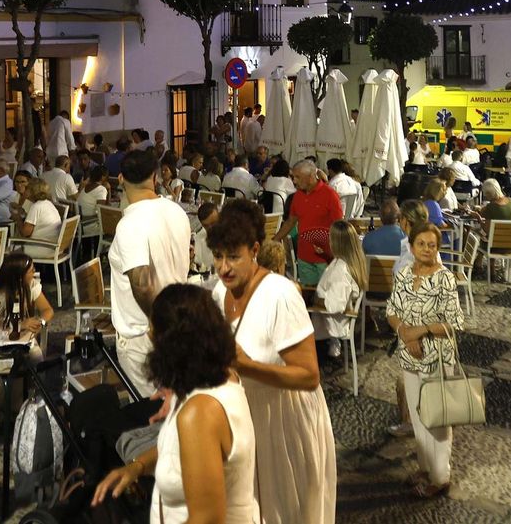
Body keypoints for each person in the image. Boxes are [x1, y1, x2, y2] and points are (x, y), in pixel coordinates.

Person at [207, 201, 336, 523]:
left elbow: (309, 376)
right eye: (218, 256)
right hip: (247, 421)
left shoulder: (278, 294)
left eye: (233, 256)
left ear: (254, 250)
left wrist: (247, 366)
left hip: (284, 425)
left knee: (286, 512)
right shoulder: (217, 294)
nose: (224, 268)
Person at [92, 284, 259, 523]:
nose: (150, 338)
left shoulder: (199, 413)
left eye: (154, 333)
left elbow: (207, 519)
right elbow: (185, 450)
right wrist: (138, 466)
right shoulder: (222, 377)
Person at [384, 219, 465, 498]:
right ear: (412, 245)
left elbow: (455, 322)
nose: (426, 249)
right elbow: (392, 310)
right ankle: (425, 466)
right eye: (421, 244)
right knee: (417, 416)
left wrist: (421, 330)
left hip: (437, 358)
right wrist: (404, 333)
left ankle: (441, 475)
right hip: (409, 356)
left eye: (432, 245)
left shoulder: (445, 279)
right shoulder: (405, 274)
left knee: (437, 418)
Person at [110, 149, 192, 396]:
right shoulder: (176, 211)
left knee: (154, 417)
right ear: (155, 177)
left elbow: (142, 284)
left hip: (144, 334)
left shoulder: (130, 225)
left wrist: (159, 325)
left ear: (121, 179)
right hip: (177, 323)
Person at [311, 221, 367, 367]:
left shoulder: (340, 271)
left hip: (329, 323)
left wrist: (314, 302)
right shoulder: (349, 263)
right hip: (330, 319)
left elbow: (335, 304)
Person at [282, 161, 343, 285]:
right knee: (308, 298)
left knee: (326, 298)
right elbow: (291, 221)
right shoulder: (298, 195)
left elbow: (339, 226)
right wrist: (275, 239)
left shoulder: (330, 195)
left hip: (325, 258)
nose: (294, 181)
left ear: (310, 177)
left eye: (297, 177)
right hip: (304, 257)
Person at [0, 251, 55, 349]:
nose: (34, 272)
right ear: (19, 277)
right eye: (31, 271)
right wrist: (20, 325)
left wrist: (40, 322)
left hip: (22, 340)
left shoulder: (31, 285)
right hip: (0, 344)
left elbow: (47, 310)